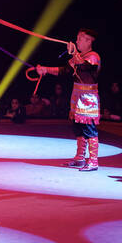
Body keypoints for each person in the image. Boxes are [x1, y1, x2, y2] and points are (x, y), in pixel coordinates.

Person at [30, 30, 102, 171]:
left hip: (88, 99)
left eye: (80, 39)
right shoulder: (79, 57)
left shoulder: (93, 56)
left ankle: (93, 161)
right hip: (76, 97)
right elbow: (64, 71)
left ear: (89, 41)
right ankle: (80, 158)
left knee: (89, 129)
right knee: (78, 128)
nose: (77, 41)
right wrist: (45, 69)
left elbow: (84, 67)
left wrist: (74, 53)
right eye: (77, 38)